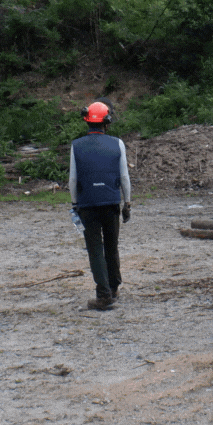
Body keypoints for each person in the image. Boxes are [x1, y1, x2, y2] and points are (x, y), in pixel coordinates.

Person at [69, 101, 132, 311]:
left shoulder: (76, 145)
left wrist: (75, 203)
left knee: (95, 249)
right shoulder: (118, 143)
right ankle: (113, 288)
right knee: (112, 246)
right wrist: (128, 202)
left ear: (86, 120)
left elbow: (72, 180)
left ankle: (103, 294)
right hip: (112, 201)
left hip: (87, 204)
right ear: (107, 121)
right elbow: (124, 176)